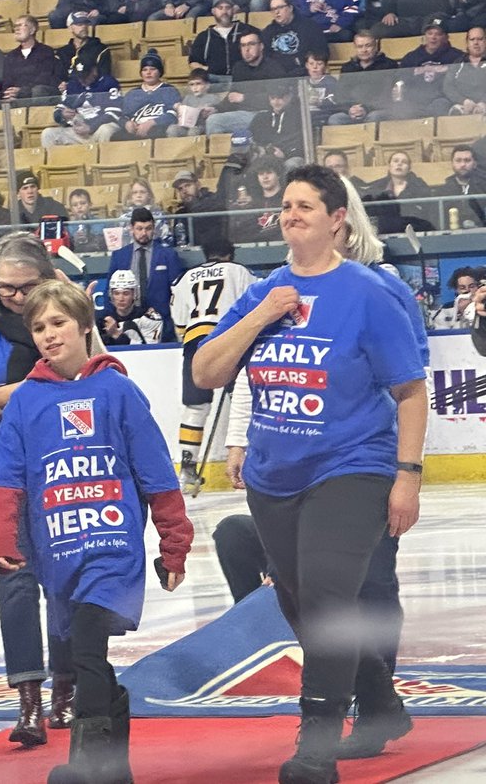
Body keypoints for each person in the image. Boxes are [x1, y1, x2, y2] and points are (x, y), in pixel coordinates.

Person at [194, 164, 427, 783]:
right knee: (300, 601)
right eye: (286, 206)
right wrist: (261, 314)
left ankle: (315, 745)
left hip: (353, 466)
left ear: (336, 220)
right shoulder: (263, 293)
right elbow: (207, 372)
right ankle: (378, 697)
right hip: (275, 476)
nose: (291, 214)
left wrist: (408, 474)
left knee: (327, 600)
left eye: (305, 206)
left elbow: (410, 389)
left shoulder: (368, 291)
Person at [0, 278, 192, 783]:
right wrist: (1, 541)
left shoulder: (118, 390)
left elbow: (156, 475)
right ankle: (114, 765)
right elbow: (4, 479)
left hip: (111, 547)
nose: (49, 334)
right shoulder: (27, 401)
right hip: (58, 552)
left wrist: (174, 545)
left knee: (88, 648)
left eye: (58, 323)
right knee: (82, 650)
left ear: (83, 325)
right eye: (38, 327)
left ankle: (88, 764)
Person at [0, 233, 100, 746]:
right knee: (15, 580)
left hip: (62, 468)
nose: (19, 299)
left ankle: (65, 692)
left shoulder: (62, 319)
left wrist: (79, 312)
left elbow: (103, 376)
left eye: (29, 288)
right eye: (6, 290)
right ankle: (28, 698)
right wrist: (14, 394)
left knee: (65, 579)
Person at [169, 236, 256, 493]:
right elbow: (252, 307)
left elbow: (179, 323)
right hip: (230, 339)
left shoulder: (185, 278)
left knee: (195, 407)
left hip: (195, 343)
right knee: (244, 400)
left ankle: (187, 470)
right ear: (230, 254)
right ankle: (250, 465)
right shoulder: (239, 271)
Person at [106, 205, 183, 329]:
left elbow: (178, 291)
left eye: (148, 228)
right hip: (127, 321)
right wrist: (110, 317)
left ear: (154, 229)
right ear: (131, 229)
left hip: (162, 321)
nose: (144, 233)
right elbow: (109, 290)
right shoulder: (119, 256)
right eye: (139, 228)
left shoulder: (168, 255)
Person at [365, 150, 437, 233]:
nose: (399, 164)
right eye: (395, 161)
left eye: (404, 162)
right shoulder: (377, 188)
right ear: (389, 166)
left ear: (409, 168)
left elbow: (429, 215)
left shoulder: (420, 188)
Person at [189, 0, 259, 78]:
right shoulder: (203, 37)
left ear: (233, 10)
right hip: (214, 81)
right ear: (213, 11)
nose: (224, 11)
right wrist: (208, 70)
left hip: (243, 79)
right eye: (220, 8)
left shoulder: (247, 30)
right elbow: (193, 62)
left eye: (227, 7)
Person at [1, 16, 61, 102]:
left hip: (34, 94)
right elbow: (7, 81)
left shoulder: (46, 51)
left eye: (22, 25)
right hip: (16, 96)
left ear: (32, 30)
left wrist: (22, 91)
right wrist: (9, 92)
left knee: (38, 90)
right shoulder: (11, 56)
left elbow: (44, 78)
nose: (17, 29)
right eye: (16, 26)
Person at [440, 145, 486, 226]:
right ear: (452, 164)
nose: (463, 164)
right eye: (458, 160)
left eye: (467, 160)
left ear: (475, 164)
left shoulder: (483, 187)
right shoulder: (443, 191)